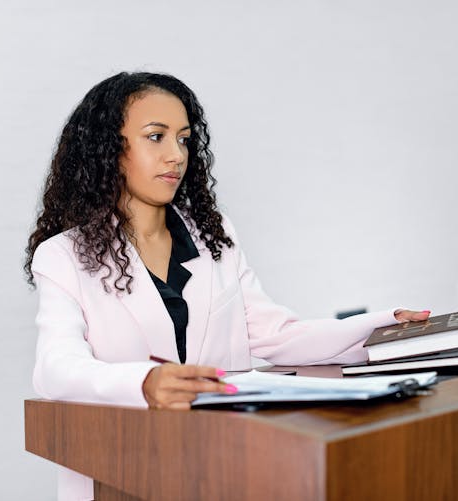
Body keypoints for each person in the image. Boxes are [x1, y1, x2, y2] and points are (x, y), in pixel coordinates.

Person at [24, 71, 430, 501]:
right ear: (108, 148)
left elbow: (277, 334)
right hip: (123, 472)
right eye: (156, 136)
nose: (176, 155)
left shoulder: (214, 238)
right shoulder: (63, 255)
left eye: (183, 139)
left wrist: (385, 329)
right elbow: (55, 369)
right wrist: (145, 383)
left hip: (219, 466)